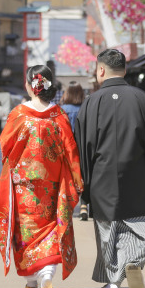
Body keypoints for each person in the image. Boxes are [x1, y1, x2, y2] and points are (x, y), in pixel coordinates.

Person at [76, 48, 145, 288]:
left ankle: (113, 281)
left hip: (102, 176)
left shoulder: (91, 102)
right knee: (141, 223)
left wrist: (83, 181)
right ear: (125, 69)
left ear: (101, 70)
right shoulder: (142, 99)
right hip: (138, 173)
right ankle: (133, 260)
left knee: (108, 229)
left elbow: (83, 145)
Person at [0, 65, 83, 288]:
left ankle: (33, 279)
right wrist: (76, 178)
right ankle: (45, 276)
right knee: (50, 226)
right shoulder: (58, 116)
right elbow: (71, 150)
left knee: (26, 231)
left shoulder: (18, 114)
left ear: (30, 86)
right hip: (52, 184)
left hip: (24, 186)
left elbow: (5, 146)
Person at [60, 81, 88, 221]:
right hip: (83, 147)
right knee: (84, 175)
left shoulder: (62, 109)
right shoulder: (86, 108)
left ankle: (68, 206)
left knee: (67, 176)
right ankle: (84, 206)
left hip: (67, 149)